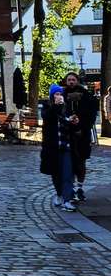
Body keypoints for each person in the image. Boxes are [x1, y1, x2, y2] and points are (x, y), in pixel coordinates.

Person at [40, 84, 78, 211]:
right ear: (52, 96)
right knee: (56, 175)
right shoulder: (47, 107)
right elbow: (47, 117)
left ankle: (67, 200)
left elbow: (69, 122)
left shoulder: (66, 107)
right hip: (52, 147)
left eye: (60, 94)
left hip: (66, 145)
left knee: (67, 174)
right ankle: (59, 194)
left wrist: (73, 121)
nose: (59, 96)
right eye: (56, 94)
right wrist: (56, 106)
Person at [62, 72, 97, 201]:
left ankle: (80, 187)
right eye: (69, 80)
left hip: (83, 134)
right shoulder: (63, 94)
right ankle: (70, 188)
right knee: (69, 162)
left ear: (77, 80)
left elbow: (92, 112)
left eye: (73, 79)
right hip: (68, 134)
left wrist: (82, 124)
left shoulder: (86, 94)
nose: (71, 82)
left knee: (81, 161)